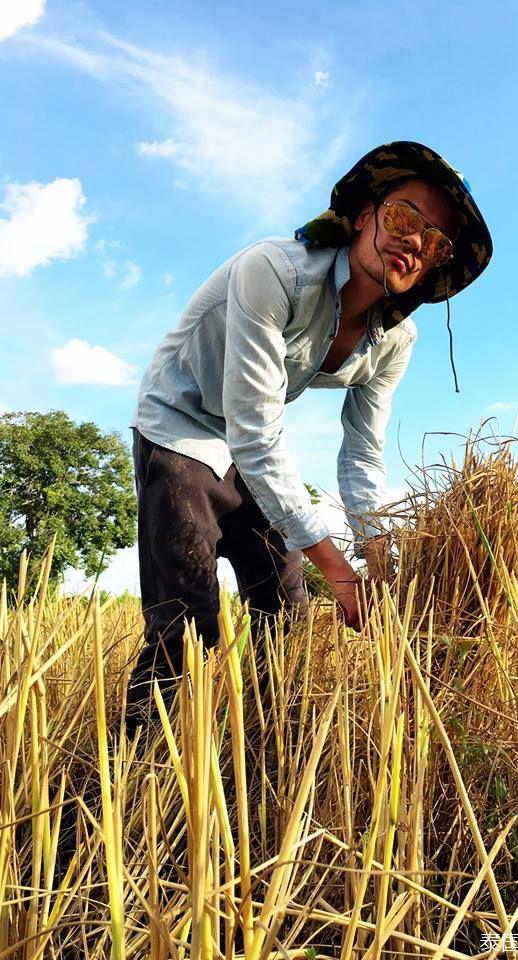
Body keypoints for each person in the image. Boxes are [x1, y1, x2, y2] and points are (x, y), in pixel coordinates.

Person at [125, 140, 493, 732]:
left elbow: (362, 461)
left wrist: (380, 565)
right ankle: (141, 769)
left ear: (435, 266)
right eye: (404, 217)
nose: (414, 241)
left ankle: (269, 748)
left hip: (251, 450)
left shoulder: (396, 339)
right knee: (188, 621)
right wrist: (337, 569)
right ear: (366, 214)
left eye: (435, 241)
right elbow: (255, 429)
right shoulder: (273, 271)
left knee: (287, 606)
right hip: (181, 426)